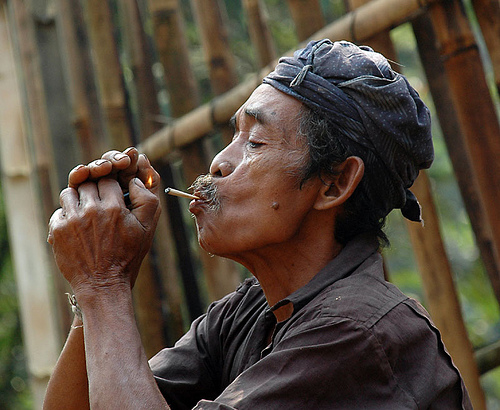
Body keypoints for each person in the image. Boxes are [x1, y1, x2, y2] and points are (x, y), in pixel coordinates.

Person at [44, 40, 471, 409]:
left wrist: (105, 284)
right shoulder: (250, 313)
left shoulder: (357, 332)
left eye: (255, 142)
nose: (219, 163)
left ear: (335, 183)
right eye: (234, 136)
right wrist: (96, 289)